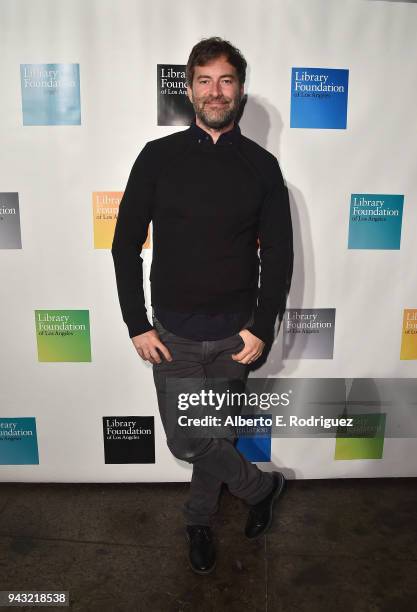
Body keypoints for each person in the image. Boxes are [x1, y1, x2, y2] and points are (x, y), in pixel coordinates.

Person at [111, 36, 293, 575]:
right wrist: (136, 323)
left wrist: (262, 327)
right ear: (189, 90)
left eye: (227, 80)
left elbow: (279, 256)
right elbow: (125, 244)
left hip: (236, 337)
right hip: (174, 336)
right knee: (187, 437)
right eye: (205, 80)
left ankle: (198, 517)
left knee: (212, 437)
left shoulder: (262, 166)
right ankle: (263, 488)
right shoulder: (157, 157)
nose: (216, 91)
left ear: (240, 89)